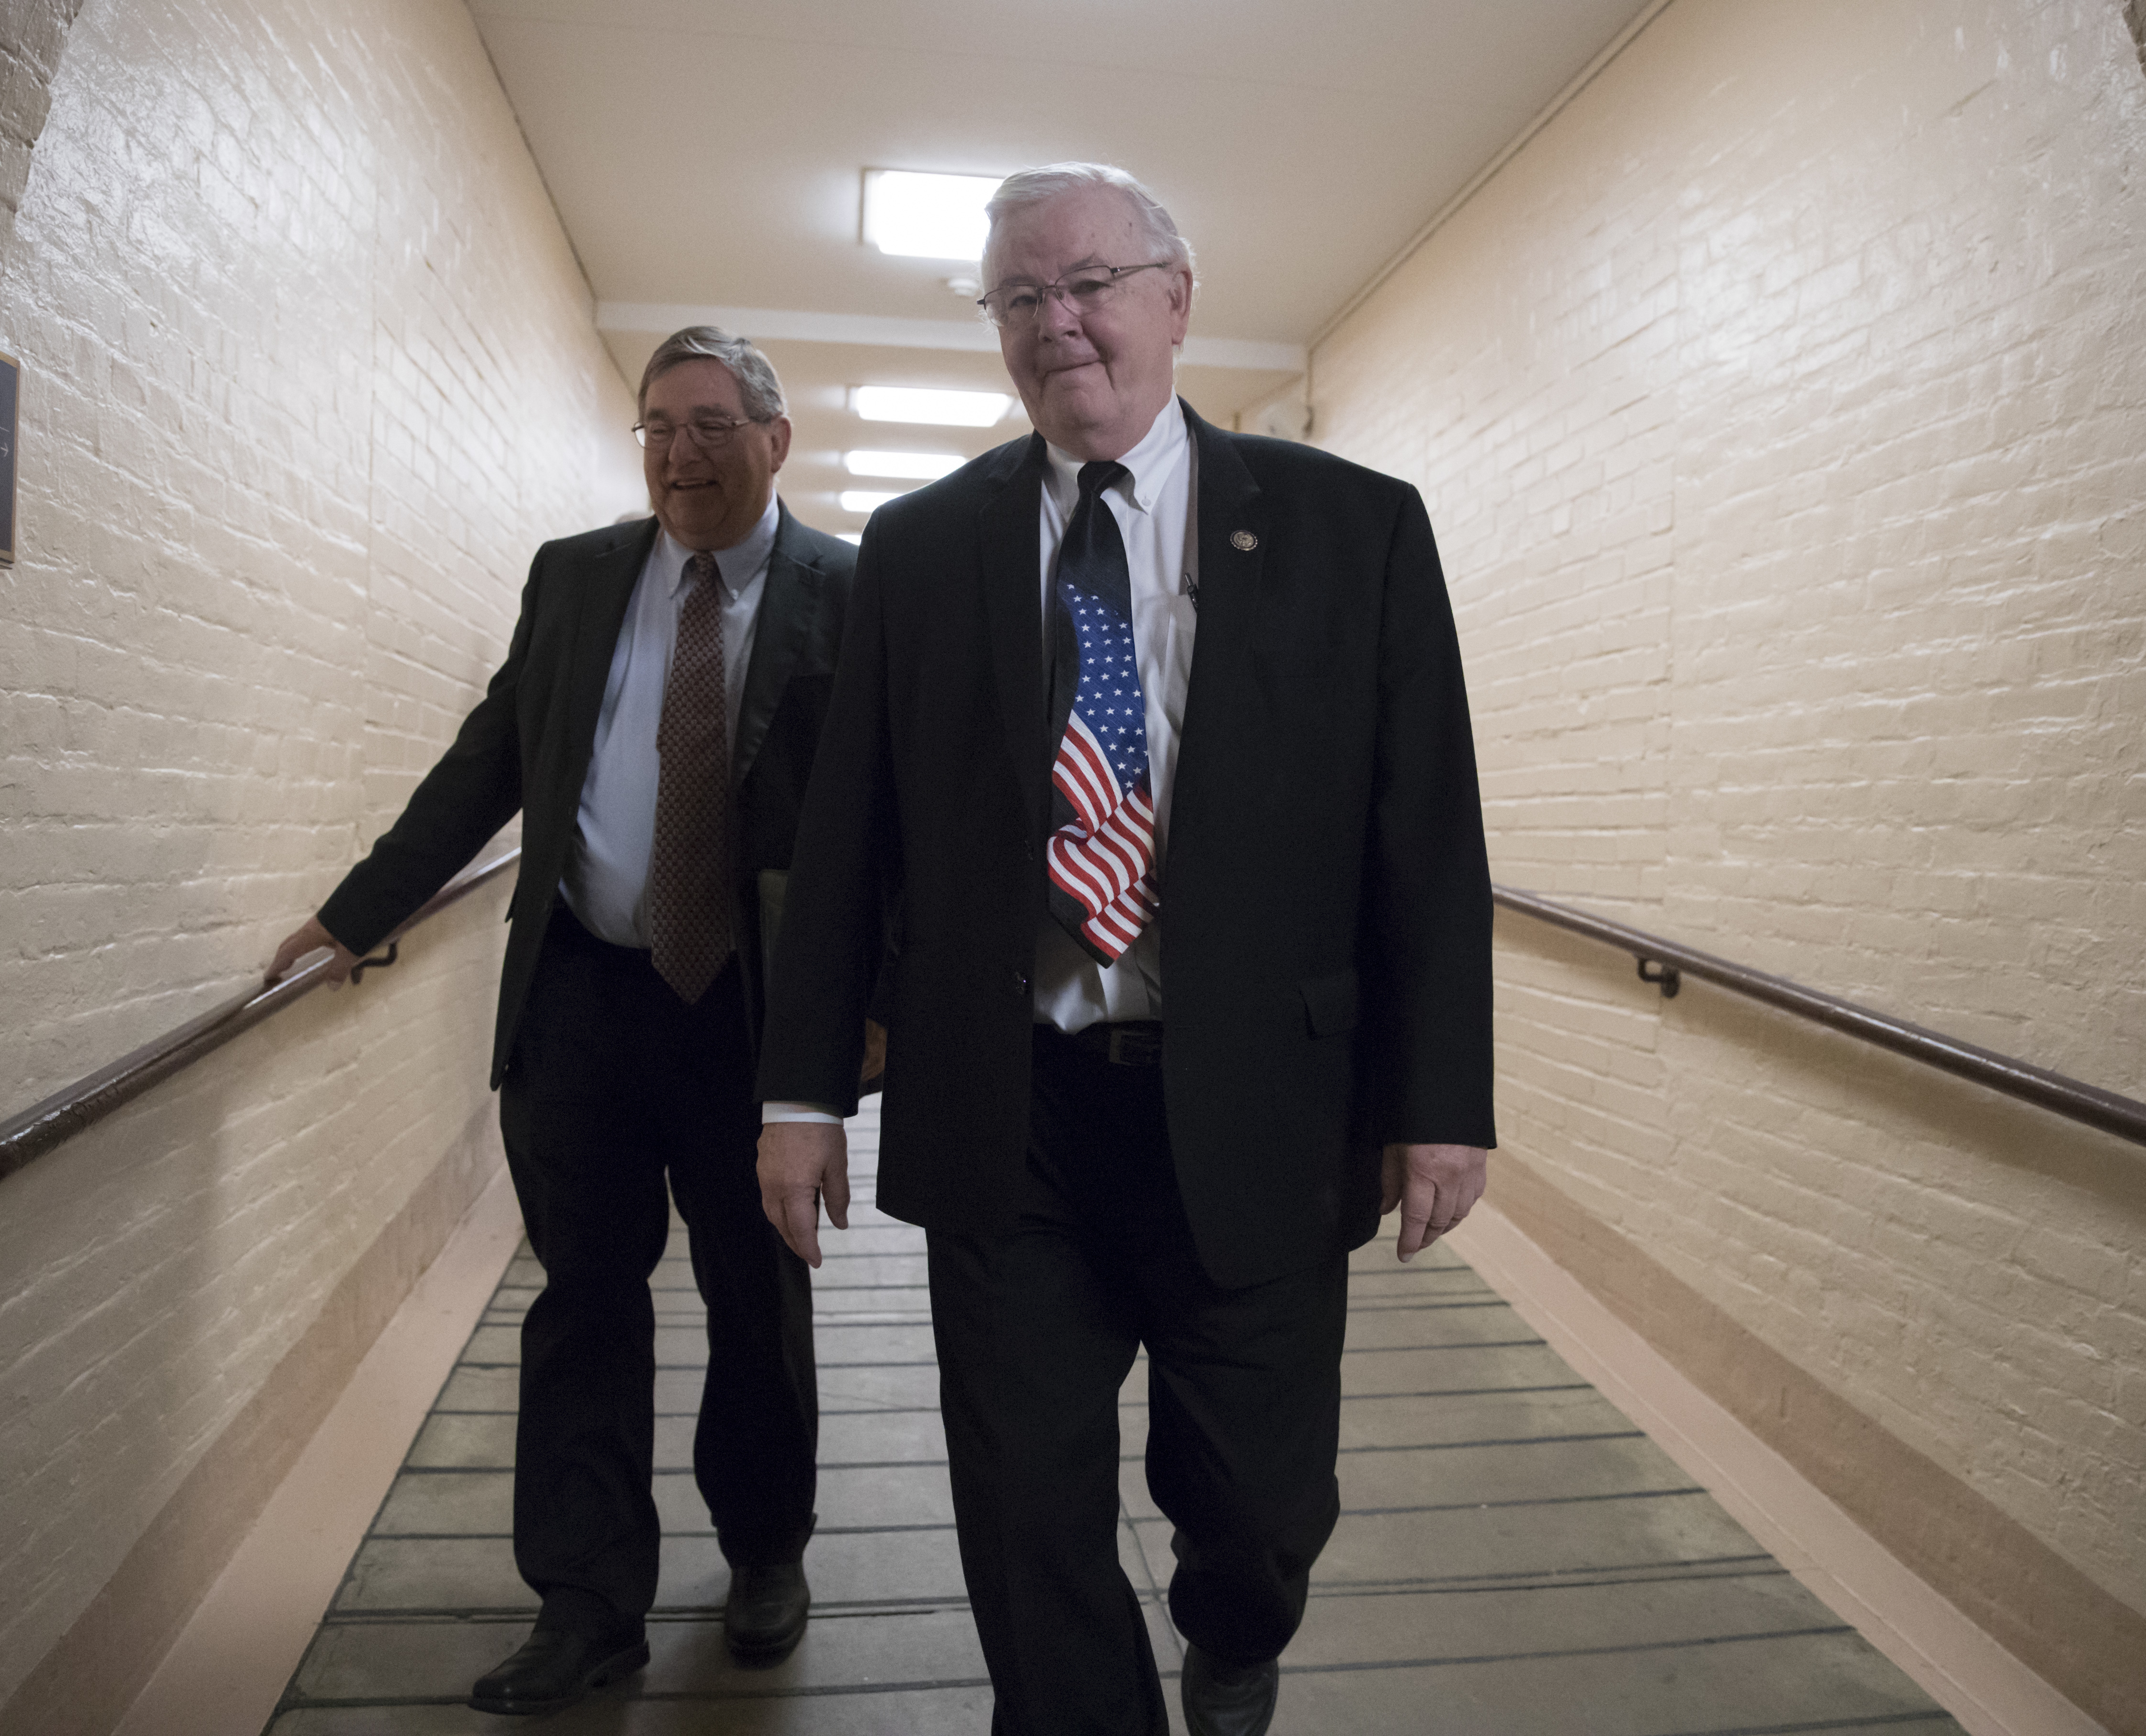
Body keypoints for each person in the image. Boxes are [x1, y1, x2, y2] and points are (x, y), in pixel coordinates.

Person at [753, 165, 1495, 1736]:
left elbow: (1424, 839)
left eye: (1089, 282)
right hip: (1013, 1112)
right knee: (1027, 1519)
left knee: (1259, 1507)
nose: (1058, 322)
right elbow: (847, 847)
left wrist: (1443, 1098)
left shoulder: (1350, 530)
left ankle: (1239, 1636)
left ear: (1175, 296)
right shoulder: (925, 545)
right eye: (1020, 298)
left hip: (1261, 1111)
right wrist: (800, 1092)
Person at [266, 328, 857, 1716]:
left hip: (751, 1019)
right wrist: (361, 910)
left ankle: (767, 1549)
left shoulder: (854, 587)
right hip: (584, 995)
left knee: (753, 1300)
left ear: (776, 441)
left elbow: (883, 827)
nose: (679, 454)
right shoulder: (578, 575)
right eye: (657, 427)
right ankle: (586, 1603)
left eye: (712, 425)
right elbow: (494, 756)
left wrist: (866, 1019)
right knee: (582, 1300)